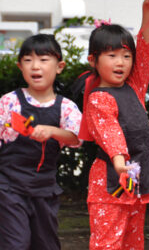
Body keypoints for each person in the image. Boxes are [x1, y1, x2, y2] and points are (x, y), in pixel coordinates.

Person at [77, 0, 149, 250]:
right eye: (112, 55)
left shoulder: (134, 88)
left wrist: (148, 10)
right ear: (93, 60)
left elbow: (146, 52)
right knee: (107, 245)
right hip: (109, 185)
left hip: (136, 181)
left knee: (133, 244)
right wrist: (119, 161)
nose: (121, 63)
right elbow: (110, 132)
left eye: (126, 56)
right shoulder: (98, 98)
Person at [0, 34, 82, 250]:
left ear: (59, 66)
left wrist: (53, 131)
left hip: (45, 189)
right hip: (8, 188)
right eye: (28, 60)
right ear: (20, 66)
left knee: (45, 245)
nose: (35, 66)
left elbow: (76, 138)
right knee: (15, 244)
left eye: (44, 60)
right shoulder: (8, 102)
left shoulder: (67, 107)